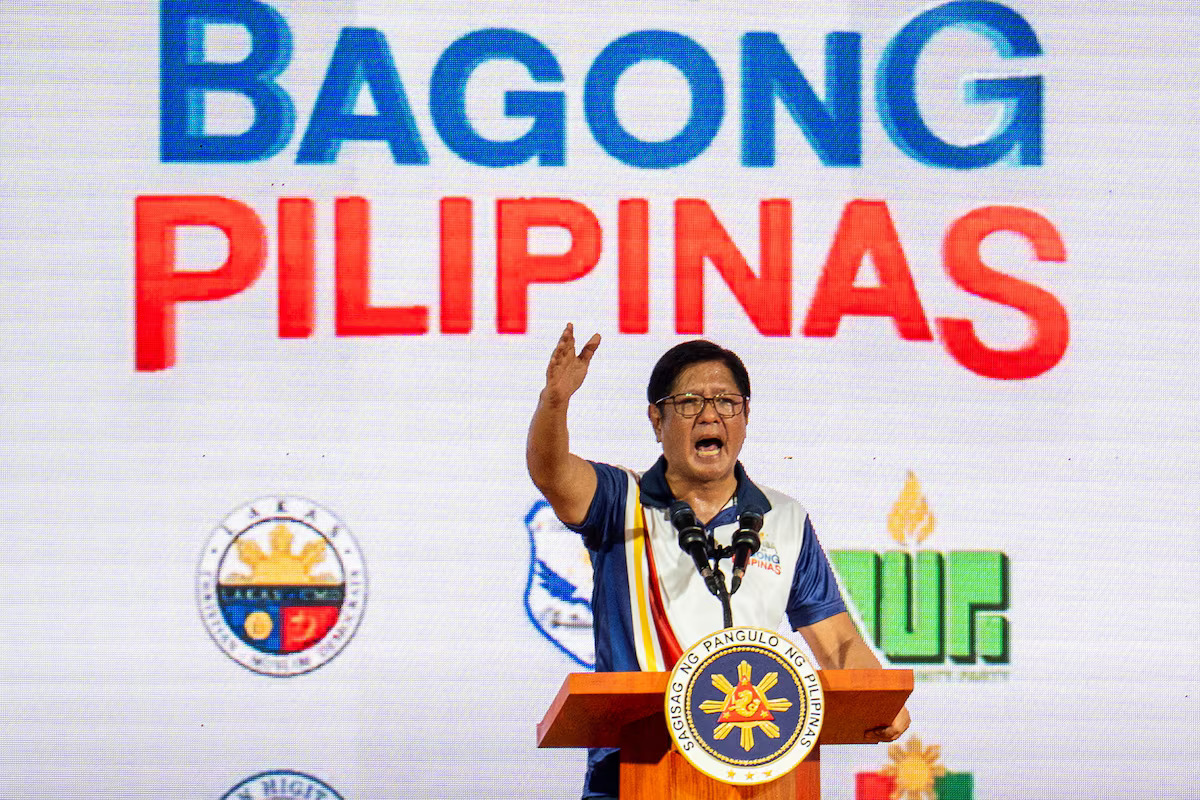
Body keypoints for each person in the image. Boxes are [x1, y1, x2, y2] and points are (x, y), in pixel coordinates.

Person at [527, 324, 911, 799]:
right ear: (656, 419)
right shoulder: (618, 500)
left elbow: (836, 643)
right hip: (635, 771)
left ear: (745, 415)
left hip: (759, 773)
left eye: (726, 402)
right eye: (689, 402)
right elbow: (551, 472)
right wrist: (554, 402)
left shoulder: (784, 518)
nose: (710, 416)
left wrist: (879, 696)